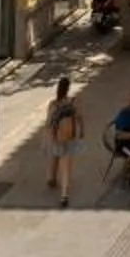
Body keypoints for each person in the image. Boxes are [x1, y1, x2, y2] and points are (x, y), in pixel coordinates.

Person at [45, 77, 83, 207]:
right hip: (69, 137)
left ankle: (51, 177)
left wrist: (49, 136)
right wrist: (82, 131)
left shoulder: (53, 104)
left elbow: (48, 122)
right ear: (68, 89)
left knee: (55, 155)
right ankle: (64, 195)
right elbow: (79, 117)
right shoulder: (72, 103)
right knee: (66, 165)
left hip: (57, 137)